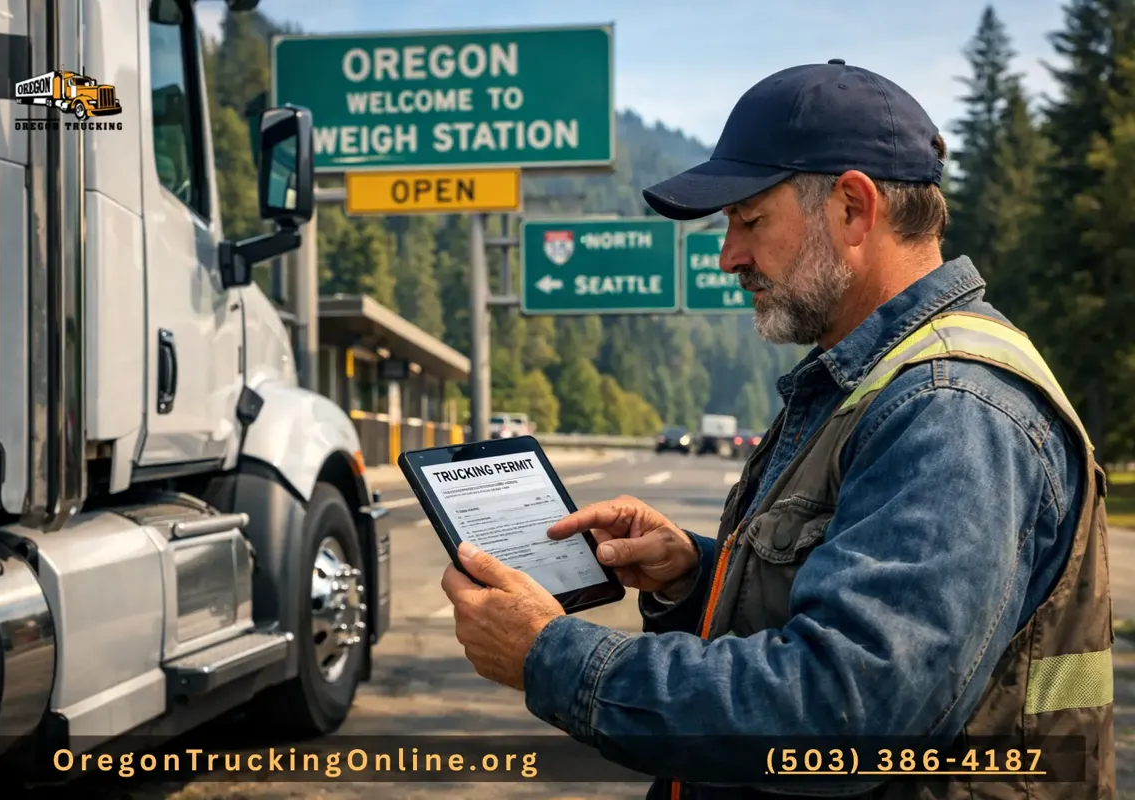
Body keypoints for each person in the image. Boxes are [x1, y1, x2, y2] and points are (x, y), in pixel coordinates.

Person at [440, 59, 1115, 799]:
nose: (728, 254)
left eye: (749, 219)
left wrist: (551, 654)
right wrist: (697, 574)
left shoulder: (953, 409)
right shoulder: (868, 381)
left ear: (853, 209)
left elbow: (845, 713)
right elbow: (843, 603)